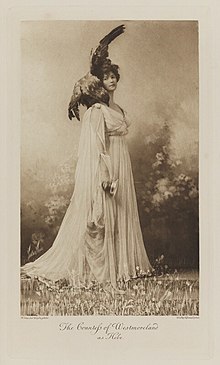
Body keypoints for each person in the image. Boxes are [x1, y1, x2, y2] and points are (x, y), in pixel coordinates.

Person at [21, 25, 153, 290]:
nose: (112, 80)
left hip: (122, 161)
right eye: (106, 77)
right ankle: (99, 269)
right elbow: (96, 146)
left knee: (122, 212)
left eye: (114, 75)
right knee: (101, 215)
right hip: (107, 165)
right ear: (98, 83)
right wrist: (105, 176)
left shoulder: (117, 107)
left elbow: (118, 134)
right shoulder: (96, 111)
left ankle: (122, 265)